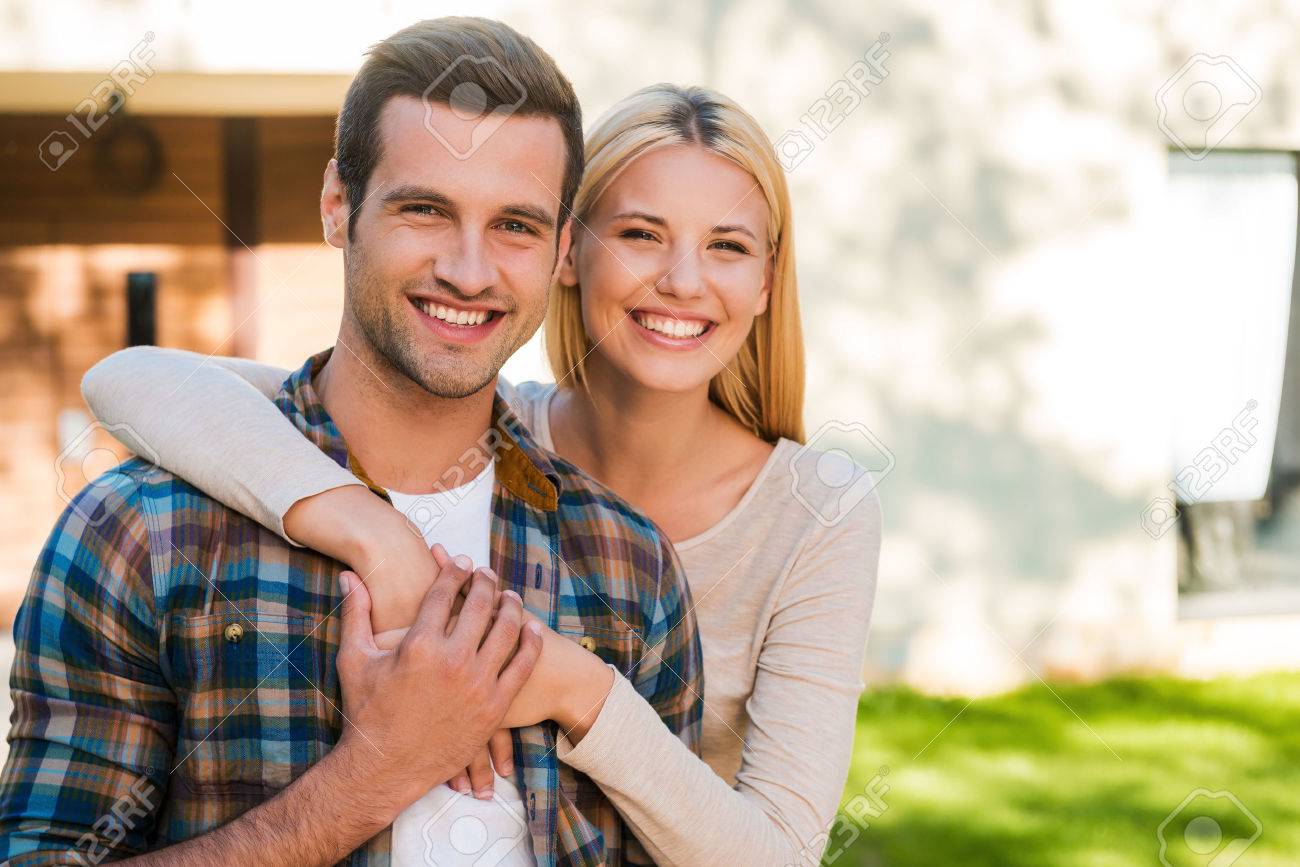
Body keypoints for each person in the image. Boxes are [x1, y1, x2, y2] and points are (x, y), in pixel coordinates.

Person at [80, 82, 882, 866]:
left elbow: (780, 852)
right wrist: (382, 539)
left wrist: (577, 688)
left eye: (728, 245)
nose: (681, 279)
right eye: (640, 234)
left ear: (768, 279)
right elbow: (133, 380)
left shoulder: (817, 512)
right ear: (570, 254)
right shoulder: (491, 434)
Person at [0, 18, 702, 867]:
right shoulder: (143, 532)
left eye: (515, 225)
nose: (470, 271)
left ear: (560, 250)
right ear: (339, 205)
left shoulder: (627, 565)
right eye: (424, 209)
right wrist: (373, 775)